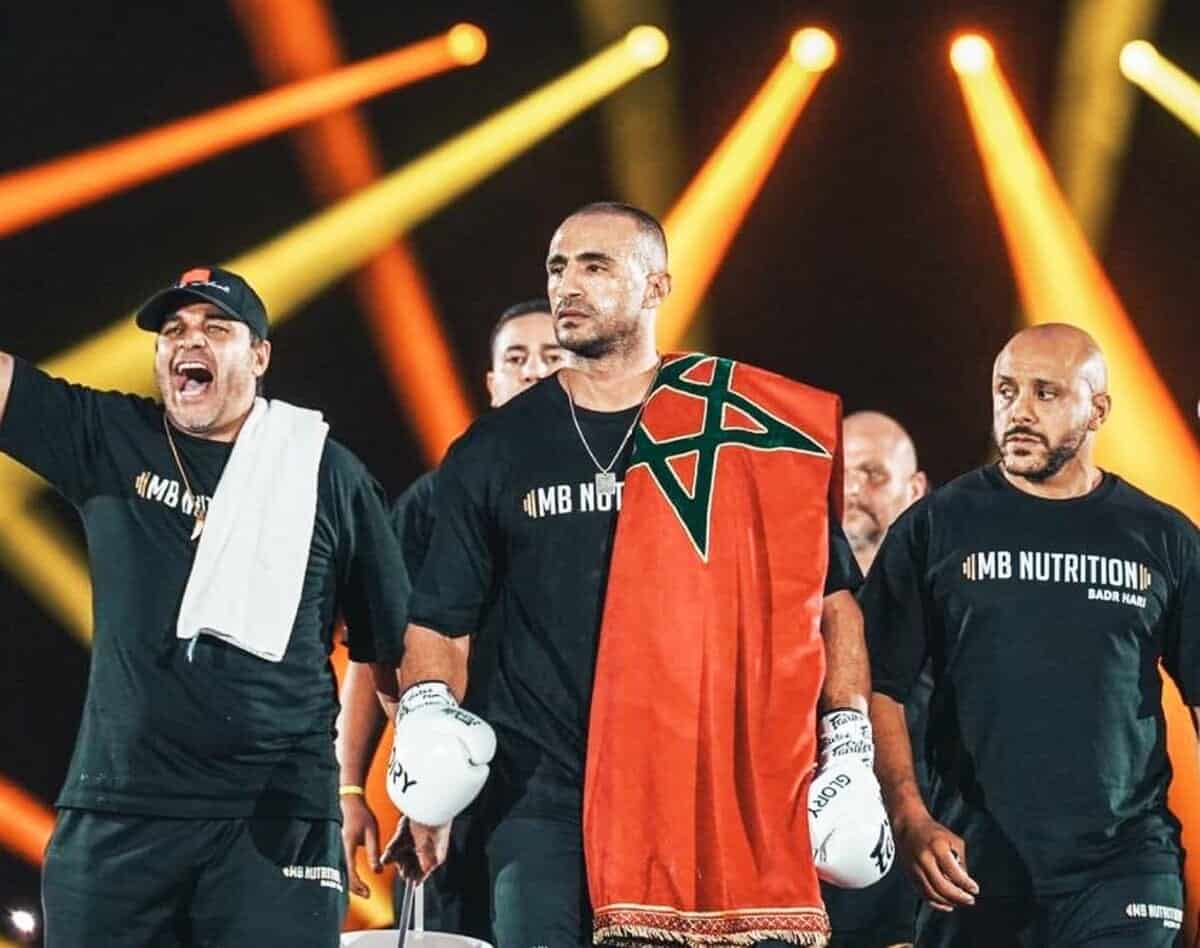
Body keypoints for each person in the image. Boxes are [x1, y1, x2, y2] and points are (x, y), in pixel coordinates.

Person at [381, 203, 887, 947]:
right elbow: (440, 621)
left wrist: (850, 745)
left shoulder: (742, 429)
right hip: (543, 795)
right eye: (558, 267)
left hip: (711, 790)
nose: (567, 285)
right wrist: (426, 714)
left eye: (595, 266)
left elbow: (833, 604)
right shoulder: (493, 449)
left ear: (656, 286)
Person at [0, 267, 408, 947]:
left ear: (259, 356)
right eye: (174, 330)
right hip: (120, 812)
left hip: (277, 819)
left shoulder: (327, 473)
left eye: (216, 328)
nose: (190, 340)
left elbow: (387, 646)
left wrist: (410, 790)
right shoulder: (111, 436)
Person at [864, 323, 1200, 947]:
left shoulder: (1165, 538)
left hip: (1127, 866)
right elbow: (878, 685)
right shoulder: (934, 527)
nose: (1018, 410)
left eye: (1046, 392)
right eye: (1006, 390)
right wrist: (908, 817)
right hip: (971, 868)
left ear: (1098, 410)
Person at [337, 299, 564, 934]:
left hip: (577, 790)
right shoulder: (434, 502)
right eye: (516, 358)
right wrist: (351, 787)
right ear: (491, 382)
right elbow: (374, 652)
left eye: (552, 356)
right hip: (456, 794)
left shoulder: (618, 492)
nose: (533, 370)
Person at [824, 411, 928, 948]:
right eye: (841, 472)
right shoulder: (776, 601)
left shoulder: (946, 609)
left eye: (873, 474)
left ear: (915, 490)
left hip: (907, 903)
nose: (852, 489)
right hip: (799, 899)